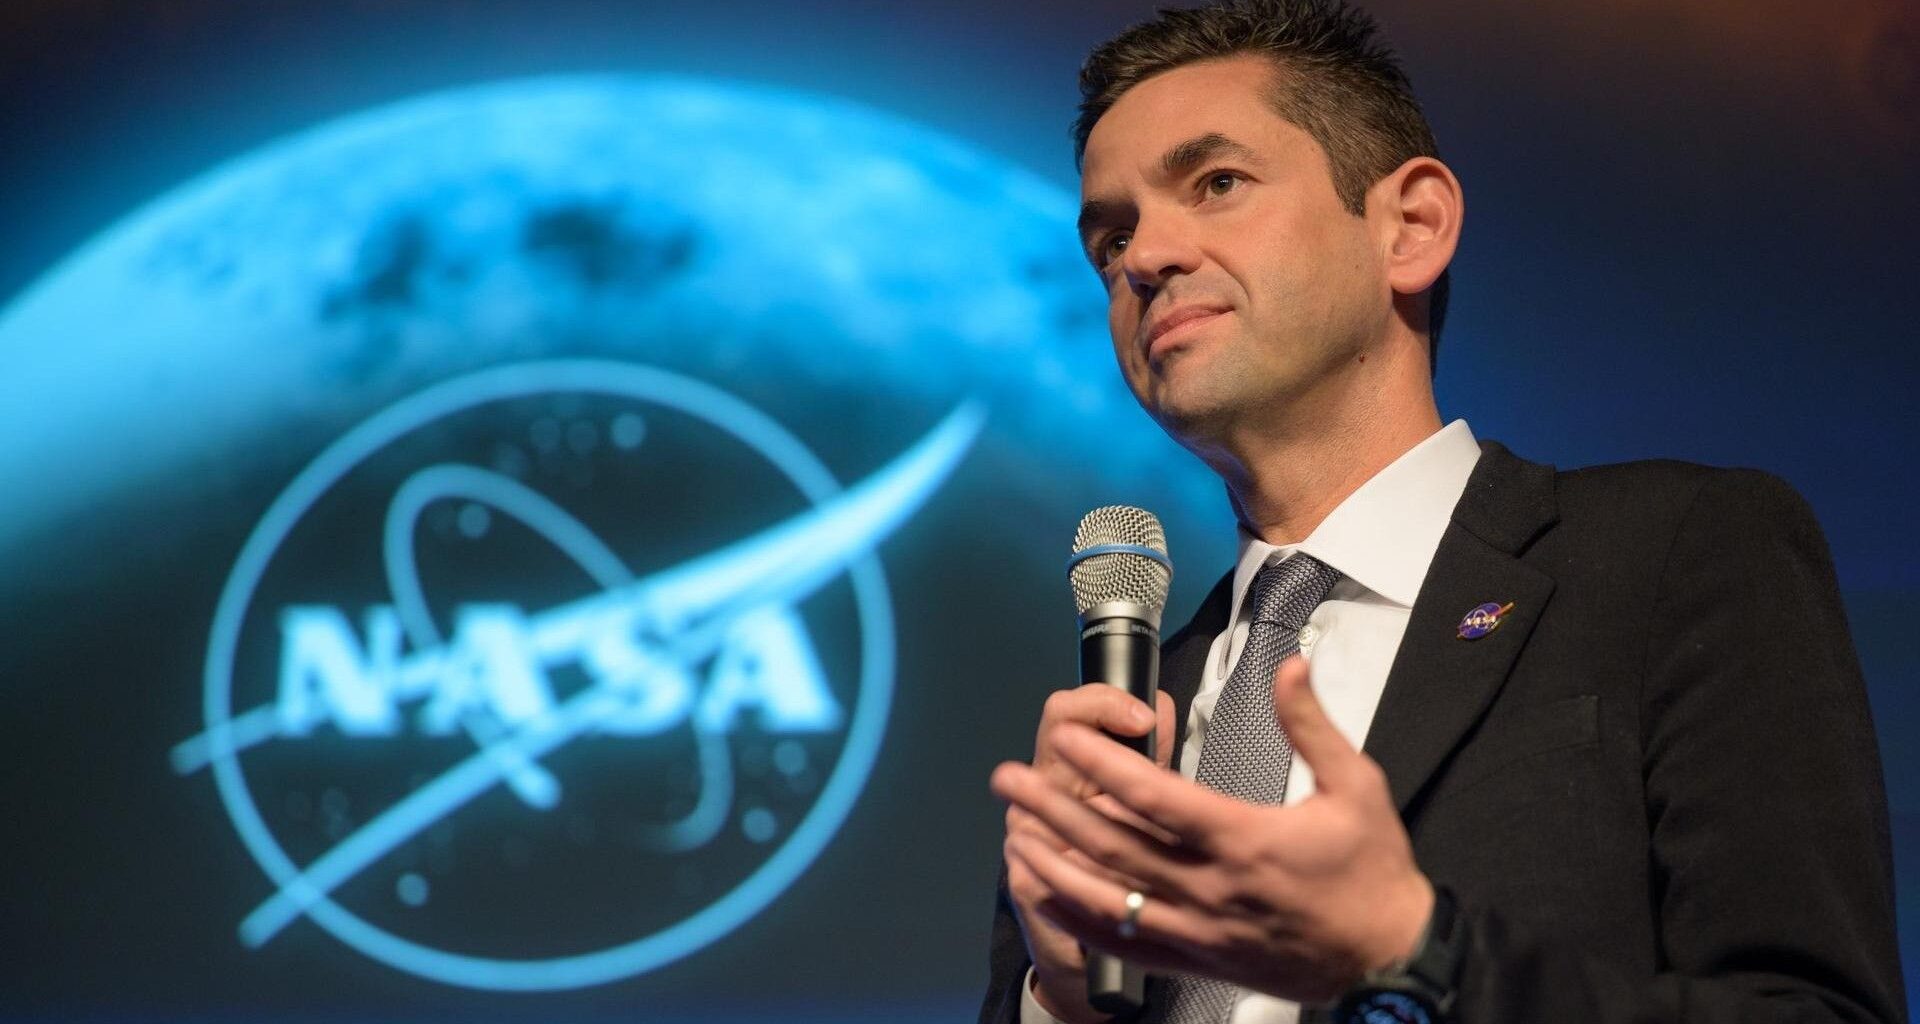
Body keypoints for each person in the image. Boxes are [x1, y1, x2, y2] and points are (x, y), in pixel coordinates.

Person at [979, 2, 1906, 1023]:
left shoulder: (1677, 555)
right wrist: (1066, 998)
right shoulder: (1120, 732)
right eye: (1111, 238)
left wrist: (1416, 954)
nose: (1144, 257)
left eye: (1218, 183)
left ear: (1411, 228)